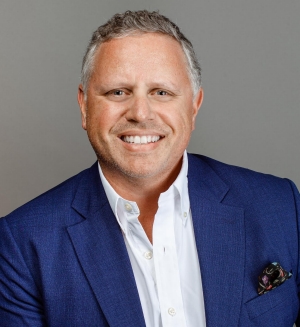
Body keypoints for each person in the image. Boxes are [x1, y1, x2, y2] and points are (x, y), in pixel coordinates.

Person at [0, 10, 299, 327]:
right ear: (84, 106)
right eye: (118, 92)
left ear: (194, 106)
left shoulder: (281, 207)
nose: (141, 113)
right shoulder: (22, 243)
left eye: (162, 92)